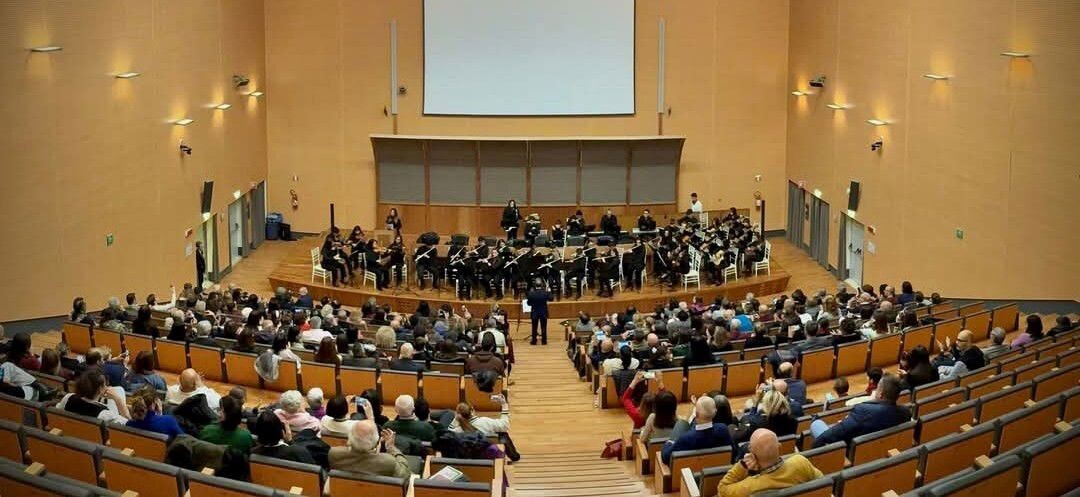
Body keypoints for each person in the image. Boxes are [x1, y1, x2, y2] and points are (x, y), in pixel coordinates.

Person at [811, 373, 911, 447]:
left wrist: (815, 446)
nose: (875, 391)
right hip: (879, 449)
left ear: (880, 394)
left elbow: (831, 435)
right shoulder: (906, 413)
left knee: (816, 424)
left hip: (850, 450)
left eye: (878, 389)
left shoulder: (862, 410)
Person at [716, 428, 823, 497]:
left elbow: (722, 489)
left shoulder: (749, 487)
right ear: (779, 446)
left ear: (752, 454)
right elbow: (822, 484)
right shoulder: (800, 462)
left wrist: (743, 465)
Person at [329, 419, 415, 478]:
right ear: (376, 442)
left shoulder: (333, 454)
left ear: (350, 437)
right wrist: (391, 448)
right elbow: (405, 474)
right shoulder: (388, 462)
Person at [660, 396, 732, 465]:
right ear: (715, 412)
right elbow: (733, 451)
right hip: (716, 470)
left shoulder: (685, 438)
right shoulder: (723, 429)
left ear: (696, 414)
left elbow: (665, 457)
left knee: (681, 423)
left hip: (686, 473)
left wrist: (669, 442)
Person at [57, 370, 130, 424]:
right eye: (104, 385)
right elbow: (129, 424)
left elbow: (58, 411)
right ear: (100, 389)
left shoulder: (68, 397)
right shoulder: (105, 414)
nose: (106, 387)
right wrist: (118, 400)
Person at [252, 410, 317, 464]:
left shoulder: (252, 453)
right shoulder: (298, 452)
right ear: (282, 432)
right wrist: (290, 441)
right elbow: (315, 473)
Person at [526, 279, 552, 345]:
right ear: (542, 285)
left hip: (535, 312)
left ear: (535, 285)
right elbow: (551, 298)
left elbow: (528, 303)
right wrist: (549, 291)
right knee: (544, 327)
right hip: (543, 312)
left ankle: (534, 341)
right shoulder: (545, 293)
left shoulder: (531, 294)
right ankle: (544, 341)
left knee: (534, 327)